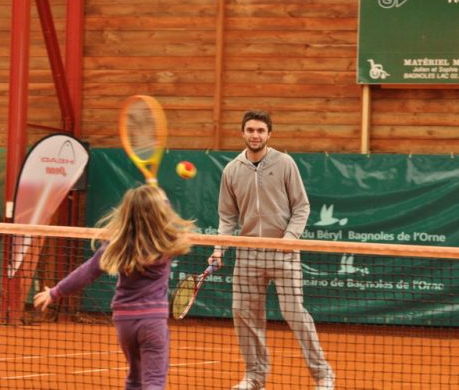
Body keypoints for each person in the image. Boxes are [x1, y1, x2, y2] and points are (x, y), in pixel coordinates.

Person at [209, 111, 335, 390]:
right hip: (248, 254)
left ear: (269, 134)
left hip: (283, 253)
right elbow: (227, 217)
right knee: (243, 314)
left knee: (294, 313)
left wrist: (289, 239)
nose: (255, 135)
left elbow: (301, 207)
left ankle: (323, 376)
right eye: (250, 130)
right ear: (242, 133)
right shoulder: (231, 170)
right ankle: (255, 377)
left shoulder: (285, 163)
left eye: (260, 130)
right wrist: (219, 249)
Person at [34, 185, 195, 390]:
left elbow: (87, 271)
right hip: (152, 321)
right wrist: (161, 199)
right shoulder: (166, 243)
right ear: (161, 211)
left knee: (135, 378)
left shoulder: (117, 244)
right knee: (154, 381)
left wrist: (55, 292)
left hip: (124, 322)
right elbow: (167, 219)